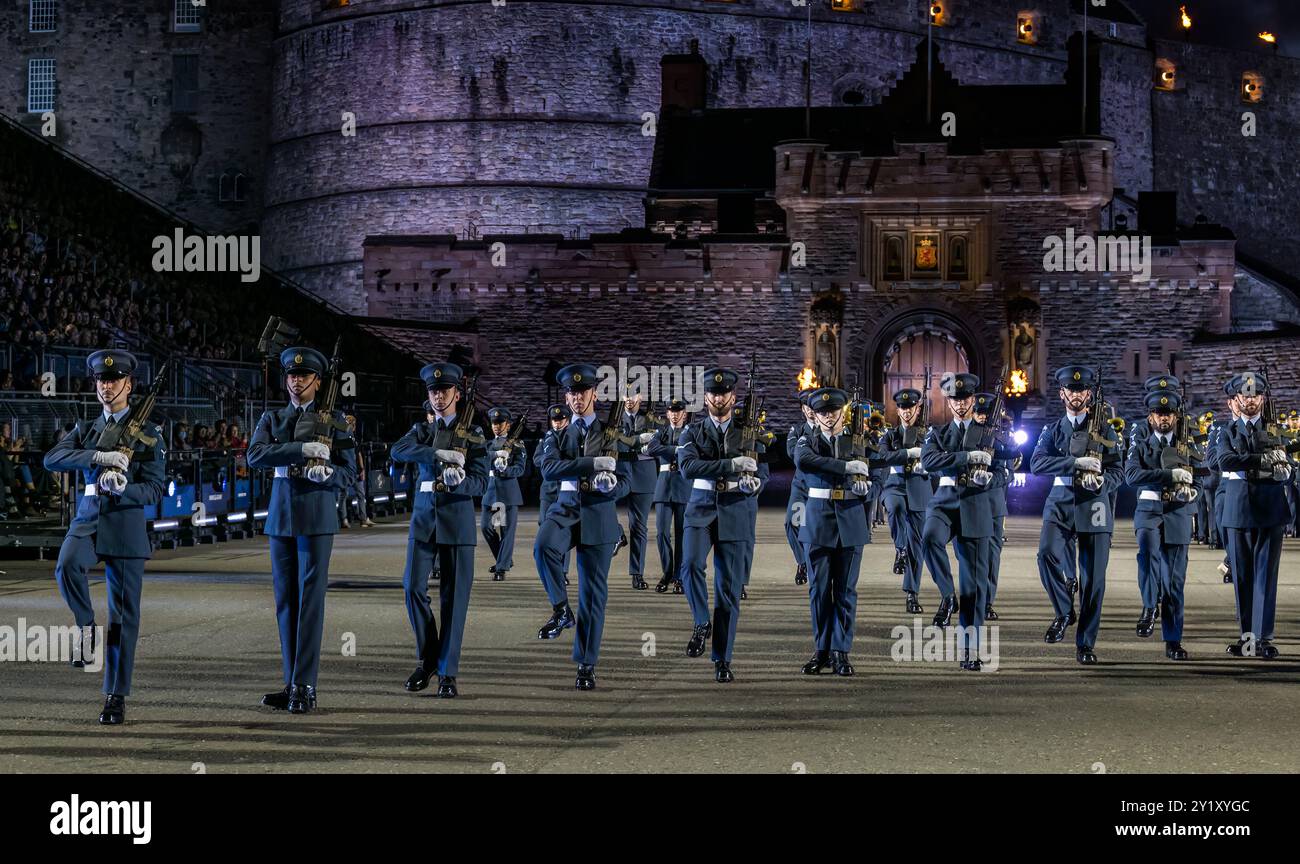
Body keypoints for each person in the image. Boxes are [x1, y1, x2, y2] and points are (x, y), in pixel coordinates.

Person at [42, 349, 165, 724]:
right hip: (89, 520)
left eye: (113, 380)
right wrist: (97, 458)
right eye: (100, 380)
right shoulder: (86, 429)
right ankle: (84, 625)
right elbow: (52, 459)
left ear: (129, 385)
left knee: (124, 617)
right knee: (65, 566)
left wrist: (123, 488)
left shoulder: (149, 434)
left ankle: (115, 695)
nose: (106, 386)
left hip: (125, 523)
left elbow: (156, 489)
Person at [246, 347, 357, 713]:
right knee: (285, 602)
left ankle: (306, 685)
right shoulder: (272, 417)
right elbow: (255, 455)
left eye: (304, 376)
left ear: (317, 381)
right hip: (281, 518)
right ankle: (291, 680)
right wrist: (298, 449)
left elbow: (350, 473)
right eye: (291, 376)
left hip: (316, 516)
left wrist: (328, 475)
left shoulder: (335, 420)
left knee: (310, 602)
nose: (296, 381)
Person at [390, 363, 488, 696]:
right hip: (423, 522)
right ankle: (429, 657)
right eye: (433, 391)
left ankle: (447, 672)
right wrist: (436, 454)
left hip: (457, 523)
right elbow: (397, 449)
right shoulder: (421, 431)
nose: (438, 395)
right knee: (412, 588)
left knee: (454, 600)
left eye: (444, 390)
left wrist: (460, 481)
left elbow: (481, 482)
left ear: (457, 394)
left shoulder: (473, 434)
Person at [533, 363, 630, 690]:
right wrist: (592, 464)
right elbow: (548, 469)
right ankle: (561, 609)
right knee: (543, 546)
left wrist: (611, 484)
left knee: (592, 594)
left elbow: (628, 481)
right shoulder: (558, 435)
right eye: (572, 393)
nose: (577, 398)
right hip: (566, 506)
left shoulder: (613, 435)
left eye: (583, 392)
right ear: (567, 395)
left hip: (600, 511)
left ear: (594, 394)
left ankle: (586, 664)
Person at [677, 367, 768, 683]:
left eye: (724, 393)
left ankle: (722, 659)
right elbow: (688, 468)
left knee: (728, 590)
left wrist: (754, 484)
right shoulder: (692, 432)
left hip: (734, 510)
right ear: (705, 398)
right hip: (700, 509)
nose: (718, 398)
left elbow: (763, 473)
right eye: (713, 393)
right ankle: (701, 621)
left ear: (733, 397)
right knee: (688, 566)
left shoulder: (749, 433)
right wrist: (730, 464)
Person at [1031, 365, 1123, 664]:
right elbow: (1037, 464)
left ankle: (1085, 643)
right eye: (1070, 390)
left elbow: (1119, 471)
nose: (1076, 395)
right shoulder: (1053, 430)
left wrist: (1103, 481)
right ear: (1062, 394)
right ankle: (1063, 610)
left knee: (1094, 579)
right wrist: (1074, 463)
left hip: (1094, 503)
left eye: (1081, 390)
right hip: (1060, 501)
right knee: (1046, 554)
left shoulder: (1106, 430)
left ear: (1089, 395)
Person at [920, 372, 1011, 670]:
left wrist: (990, 477)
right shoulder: (939, 433)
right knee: (930, 538)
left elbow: (1005, 469)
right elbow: (929, 461)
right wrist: (967, 457)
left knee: (974, 586)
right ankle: (947, 595)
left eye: (965, 399)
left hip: (976, 504)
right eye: (955, 399)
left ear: (973, 400)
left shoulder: (991, 434)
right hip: (944, 502)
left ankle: (970, 650)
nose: (960, 405)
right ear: (948, 401)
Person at [793, 387, 870, 676]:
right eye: (823, 412)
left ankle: (841, 651)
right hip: (817, 522)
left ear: (843, 411)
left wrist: (869, 486)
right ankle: (821, 650)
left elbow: (877, 464)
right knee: (819, 591)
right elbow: (805, 462)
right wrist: (847, 467)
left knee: (846, 591)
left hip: (850, 520)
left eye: (833, 411)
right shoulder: (807, 440)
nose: (828, 416)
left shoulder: (858, 439)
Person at [1214, 372, 1291, 659]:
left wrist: (1286, 470)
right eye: (1245, 396)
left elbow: (1289, 461)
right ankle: (1247, 640)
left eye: (1255, 395)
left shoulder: (1275, 430)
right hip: (1239, 511)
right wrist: (1262, 460)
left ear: (1263, 399)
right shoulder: (1226, 432)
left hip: (1270, 509)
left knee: (1265, 580)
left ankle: (1264, 639)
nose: (1250, 400)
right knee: (1243, 580)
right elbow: (1224, 460)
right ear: (1235, 400)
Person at [1124, 389, 1201, 659]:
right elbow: (1132, 475)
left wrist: (1194, 493)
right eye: (1158, 413)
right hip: (1149, 509)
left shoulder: (1189, 445)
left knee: (1174, 581)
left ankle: (1173, 639)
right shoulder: (1141, 444)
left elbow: (1200, 476)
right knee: (1147, 554)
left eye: (1168, 413)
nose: (1163, 418)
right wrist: (1169, 474)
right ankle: (1148, 605)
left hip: (1178, 512)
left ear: (1176, 416)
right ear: (1151, 417)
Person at [875, 387, 932, 614]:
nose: (906, 412)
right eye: (902, 408)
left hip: (920, 489)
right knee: (895, 508)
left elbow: (935, 459)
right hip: (895, 485)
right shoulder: (890, 435)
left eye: (910, 408)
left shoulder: (929, 435)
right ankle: (899, 548)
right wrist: (910, 454)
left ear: (917, 410)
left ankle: (912, 593)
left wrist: (926, 463)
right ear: (897, 410)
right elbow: (883, 456)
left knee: (916, 546)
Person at [645, 398, 690, 594]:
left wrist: (673, 451)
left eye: (677, 411)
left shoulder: (690, 433)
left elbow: (690, 451)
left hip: (683, 487)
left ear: (684, 414)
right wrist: (676, 450)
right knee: (662, 532)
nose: (673, 414)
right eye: (671, 411)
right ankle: (667, 573)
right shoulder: (661, 432)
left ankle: (679, 576)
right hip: (663, 488)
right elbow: (652, 448)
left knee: (681, 534)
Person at [619, 389, 658, 590]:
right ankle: (617, 534)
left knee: (639, 527)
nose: (629, 400)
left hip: (644, 476)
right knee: (600, 511)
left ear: (640, 398)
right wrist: (636, 440)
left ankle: (637, 573)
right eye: (625, 396)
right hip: (620, 473)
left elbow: (658, 444)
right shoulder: (614, 419)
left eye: (633, 396)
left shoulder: (651, 420)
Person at [481, 406, 525, 581]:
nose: (497, 426)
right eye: (494, 423)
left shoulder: (516, 445)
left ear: (508, 425)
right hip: (490, 493)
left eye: (500, 423)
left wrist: (505, 469)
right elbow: (482, 457)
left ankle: (501, 568)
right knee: (486, 528)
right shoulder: (488, 445)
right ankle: (504, 559)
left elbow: (520, 469)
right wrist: (495, 456)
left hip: (507, 494)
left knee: (506, 532)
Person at [534, 404, 571, 587]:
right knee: (544, 526)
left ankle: (562, 571)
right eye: (554, 420)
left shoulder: (572, 437)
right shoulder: (546, 438)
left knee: (563, 528)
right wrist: (552, 459)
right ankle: (552, 569)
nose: (557, 423)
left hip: (565, 489)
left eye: (561, 420)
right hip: (548, 491)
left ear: (567, 420)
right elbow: (536, 459)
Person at [784, 390, 816, 586]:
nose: (811, 411)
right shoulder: (797, 430)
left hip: (821, 487)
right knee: (792, 523)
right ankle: (803, 561)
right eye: (807, 407)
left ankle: (812, 562)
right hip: (802, 486)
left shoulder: (829, 430)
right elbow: (793, 453)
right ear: (803, 409)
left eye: (814, 407)